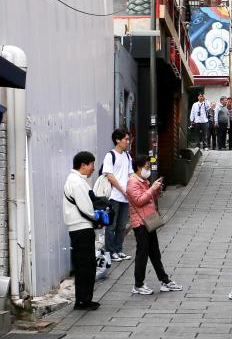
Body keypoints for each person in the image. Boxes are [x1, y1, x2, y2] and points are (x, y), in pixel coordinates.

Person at [127, 155, 183, 295]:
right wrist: (152, 189)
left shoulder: (143, 180)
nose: (148, 169)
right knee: (142, 254)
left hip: (149, 221)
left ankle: (165, 281)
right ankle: (138, 285)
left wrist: (156, 189)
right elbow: (139, 201)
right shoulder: (133, 182)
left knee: (154, 253)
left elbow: (150, 197)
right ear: (139, 167)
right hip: (140, 224)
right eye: (146, 166)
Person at [63, 151, 100, 311]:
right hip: (82, 227)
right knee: (86, 265)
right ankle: (83, 301)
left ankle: (83, 299)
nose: (93, 168)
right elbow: (86, 208)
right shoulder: (77, 182)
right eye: (91, 164)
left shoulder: (76, 180)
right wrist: (97, 219)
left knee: (84, 264)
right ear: (83, 165)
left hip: (79, 227)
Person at [103, 128, 133, 263]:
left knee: (122, 226)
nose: (128, 142)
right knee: (111, 226)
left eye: (128, 139)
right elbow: (110, 176)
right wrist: (122, 189)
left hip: (125, 197)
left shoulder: (127, 156)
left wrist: (131, 190)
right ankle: (110, 252)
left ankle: (118, 250)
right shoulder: (110, 155)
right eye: (125, 139)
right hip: (114, 196)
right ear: (117, 140)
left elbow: (130, 174)